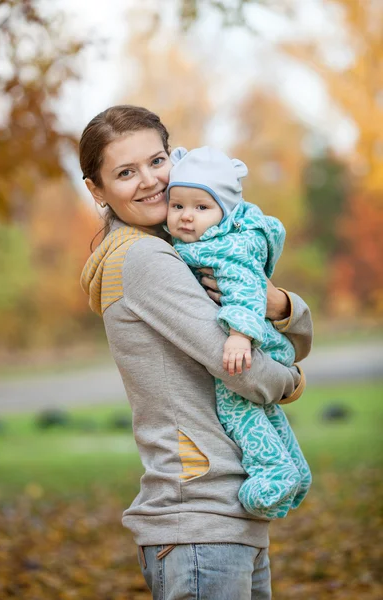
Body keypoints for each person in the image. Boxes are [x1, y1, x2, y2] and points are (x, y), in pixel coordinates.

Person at [80, 105, 313, 600]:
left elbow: (278, 332)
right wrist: (292, 380)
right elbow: (246, 372)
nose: (150, 182)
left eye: (157, 161)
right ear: (96, 190)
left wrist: (280, 304)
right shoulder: (145, 259)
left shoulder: (193, 246)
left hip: (225, 517)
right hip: (198, 519)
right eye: (125, 172)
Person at [166, 146, 312, 520]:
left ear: (224, 213)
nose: (186, 217)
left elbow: (246, 287)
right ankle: (295, 469)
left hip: (250, 340)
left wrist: (239, 335)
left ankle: (274, 473)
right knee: (266, 413)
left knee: (237, 409)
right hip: (268, 342)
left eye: (201, 208)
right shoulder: (222, 237)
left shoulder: (223, 247)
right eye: (177, 205)